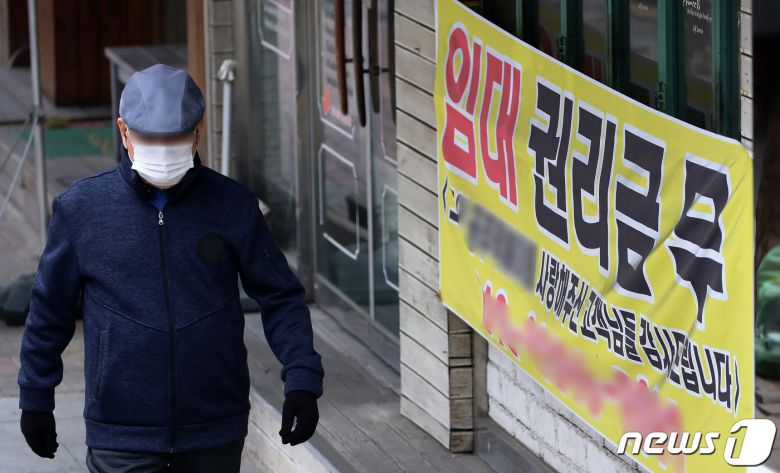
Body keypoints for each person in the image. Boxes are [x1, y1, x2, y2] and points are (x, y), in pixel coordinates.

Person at [17, 64, 324, 472]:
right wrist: (36, 397)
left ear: (198, 131)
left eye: (175, 138)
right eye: (149, 138)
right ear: (124, 132)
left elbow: (280, 296)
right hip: (121, 430)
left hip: (214, 425)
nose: (162, 150)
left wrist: (302, 377)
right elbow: (49, 309)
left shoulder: (233, 206)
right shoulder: (82, 210)